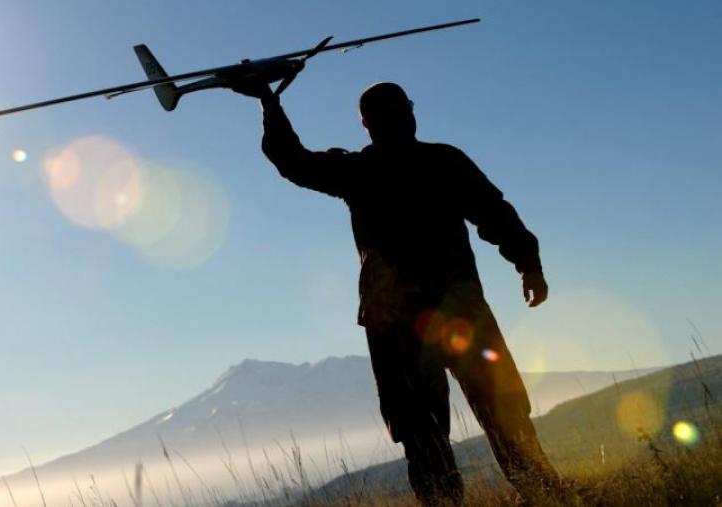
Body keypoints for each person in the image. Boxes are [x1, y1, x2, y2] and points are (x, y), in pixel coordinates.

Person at [232, 80, 572, 505]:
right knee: (498, 415)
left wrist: (269, 102)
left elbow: (292, 162)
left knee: (423, 431)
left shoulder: (358, 171)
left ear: (365, 124)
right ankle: (546, 497)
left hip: (395, 322)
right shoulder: (439, 162)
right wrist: (528, 265)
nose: (406, 115)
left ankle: (506, 499)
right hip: (457, 312)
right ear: (399, 116)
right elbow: (495, 214)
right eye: (402, 108)